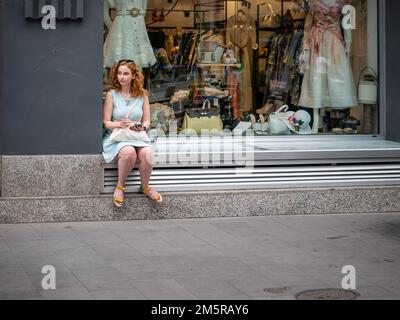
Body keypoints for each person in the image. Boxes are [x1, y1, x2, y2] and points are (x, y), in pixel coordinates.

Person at [103, 60, 162, 207]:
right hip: (119, 137)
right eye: (119, 73)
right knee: (129, 153)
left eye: (126, 74)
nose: (121, 77)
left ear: (134, 76)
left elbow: (147, 122)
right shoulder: (111, 94)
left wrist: (141, 126)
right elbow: (106, 122)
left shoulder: (142, 95)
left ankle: (145, 187)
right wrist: (119, 123)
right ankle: (120, 187)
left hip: (136, 135)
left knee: (147, 153)